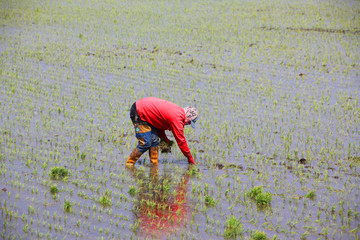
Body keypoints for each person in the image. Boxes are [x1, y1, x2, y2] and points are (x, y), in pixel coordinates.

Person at [126, 97, 198, 166]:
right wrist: (190, 158)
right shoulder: (177, 118)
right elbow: (181, 141)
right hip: (139, 112)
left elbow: (159, 126)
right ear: (188, 117)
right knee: (145, 142)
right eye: (188, 122)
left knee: (155, 141)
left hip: (146, 113)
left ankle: (154, 166)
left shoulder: (178, 112)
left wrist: (165, 140)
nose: (187, 124)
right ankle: (129, 164)